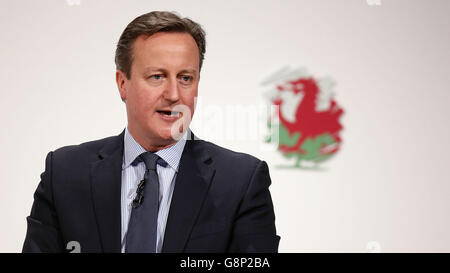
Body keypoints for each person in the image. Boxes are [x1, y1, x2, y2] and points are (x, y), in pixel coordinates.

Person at [22, 11, 280, 253]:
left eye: (186, 78)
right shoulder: (65, 173)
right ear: (123, 84)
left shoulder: (241, 182)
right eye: (157, 76)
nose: (174, 94)